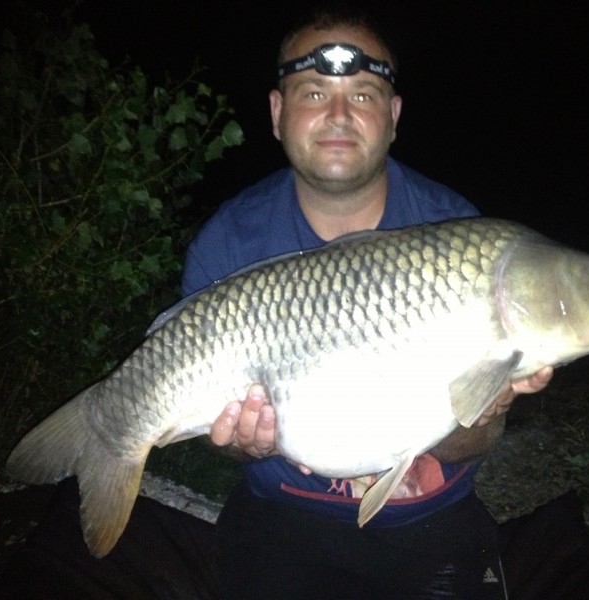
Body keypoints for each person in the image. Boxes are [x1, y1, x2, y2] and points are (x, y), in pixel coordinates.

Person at [182, 7, 553, 600]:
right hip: (282, 519)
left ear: (393, 116)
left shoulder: (459, 233)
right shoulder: (226, 246)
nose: (337, 115)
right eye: (313, 92)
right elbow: (208, 428)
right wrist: (233, 439)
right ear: (278, 114)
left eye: (363, 94)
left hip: (431, 520)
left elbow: (471, 445)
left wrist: (482, 408)